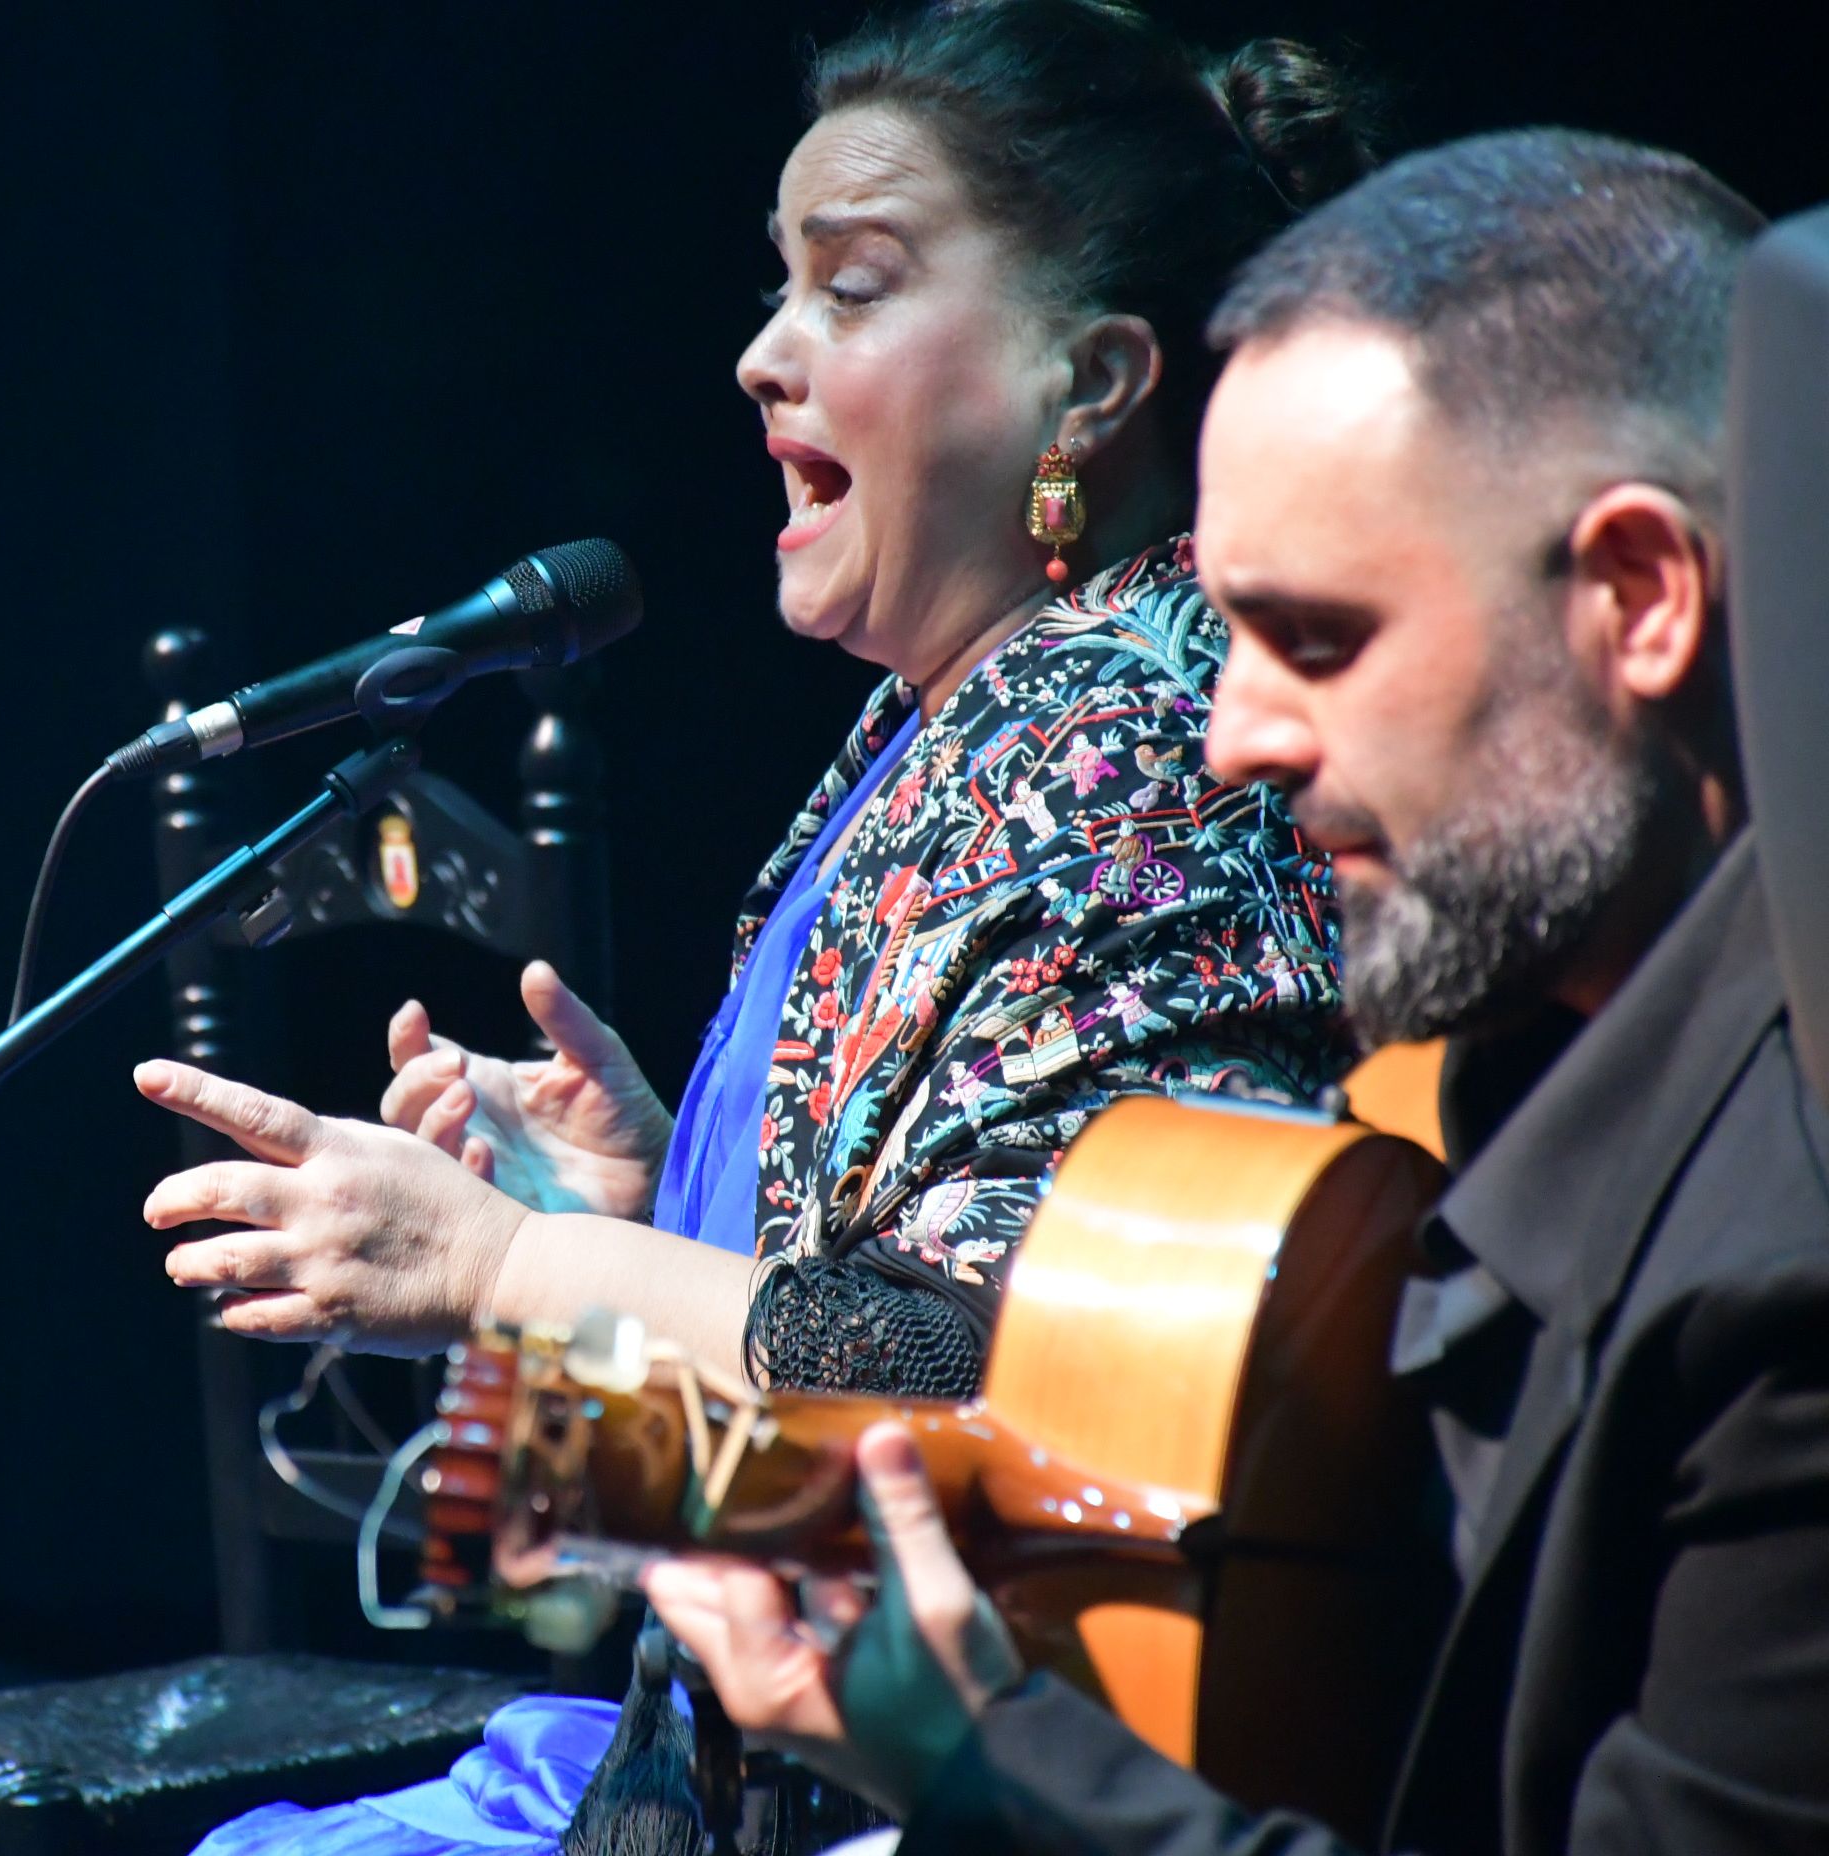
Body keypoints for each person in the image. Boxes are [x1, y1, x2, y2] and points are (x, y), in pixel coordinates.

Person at [146, 4, 1377, 1851]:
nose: (758, 359)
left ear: (1094, 384)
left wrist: (503, 1277)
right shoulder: (956, 718)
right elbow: (749, 1441)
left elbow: (1044, 1395)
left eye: (854, 289)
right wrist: (644, 1215)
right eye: (776, 289)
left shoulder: (1135, 753)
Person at [643, 129, 1829, 1856]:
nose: (1235, 736)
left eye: (1324, 641)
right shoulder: (1485, 1094)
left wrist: (978, 1764)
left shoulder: (1786, 1296)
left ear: (1638, 600)